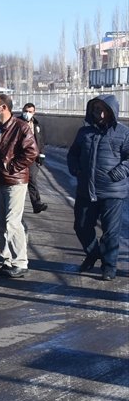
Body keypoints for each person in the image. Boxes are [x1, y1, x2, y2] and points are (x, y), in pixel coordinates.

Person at [67, 95, 129, 282]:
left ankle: (109, 266)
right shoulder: (84, 132)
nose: (100, 114)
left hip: (112, 191)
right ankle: (94, 253)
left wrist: (118, 173)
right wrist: (76, 168)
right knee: (81, 226)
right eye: (96, 110)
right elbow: (72, 154)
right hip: (86, 189)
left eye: (104, 110)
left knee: (111, 232)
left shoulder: (123, 133)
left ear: (112, 112)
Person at [0, 94, 39, 278]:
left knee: (13, 222)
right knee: (0, 223)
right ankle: (7, 261)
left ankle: (20, 262)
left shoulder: (21, 128)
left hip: (15, 181)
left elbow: (32, 152)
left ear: (3, 108)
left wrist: (12, 167)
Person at [21, 103, 48, 214]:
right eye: (26, 111)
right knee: (19, 182)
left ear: (34, 112)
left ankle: (36, 203)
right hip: (21, 156)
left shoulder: (36, 125)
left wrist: (41, 154)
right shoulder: (17, 123)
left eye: (30, 111)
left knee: (31, 178)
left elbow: (40, 141)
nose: (27, 113)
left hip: (33, 157)